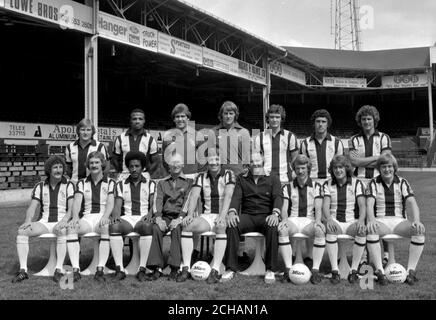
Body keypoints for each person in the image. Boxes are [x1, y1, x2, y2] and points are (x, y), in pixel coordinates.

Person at [12, 156, 75, 283]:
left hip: (61, 221)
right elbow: (32, 207)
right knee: (22, 231)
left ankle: (58, 270)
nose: (58, 170)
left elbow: (72, 208)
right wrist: (28, 220)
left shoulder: (69, 185)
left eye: (61, 167)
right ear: (49, 170)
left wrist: (64, 221)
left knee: (62, 231)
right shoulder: (40, 186)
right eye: (55, 167)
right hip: (44, 223)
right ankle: (23, 271)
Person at [177, 149, 236, 284]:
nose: (214, 162)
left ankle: (215, 270)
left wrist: (222, 216)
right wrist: (190, 214)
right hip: (207, 216)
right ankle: (186, 267)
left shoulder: (229, 174)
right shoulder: (200, 176)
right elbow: (194, 196)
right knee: (187, 225)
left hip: (223, 215)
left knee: (221, 226)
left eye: (217, 159)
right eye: (211, 159)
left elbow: (228, 195)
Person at [223, 152, 282, 284]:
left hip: (265, 216)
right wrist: (232, 212)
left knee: (273, 225)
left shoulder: (273, 177)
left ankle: (270, 270)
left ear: (263, 161)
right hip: (248, 216)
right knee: (232, 225)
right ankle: (230, 268)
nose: (255, 164)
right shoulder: (241, 178)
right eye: (252, 161)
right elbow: (236, 197)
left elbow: (278, 197)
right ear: (248, 164)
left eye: (257, 161)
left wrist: (275, 214)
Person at [366, 154, 425, 285]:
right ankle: (380, 272)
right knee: (371, 231)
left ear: (394, 167)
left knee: (419, 231)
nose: (387, 169)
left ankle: (411, 272)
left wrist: (417, 220)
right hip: (381, 221)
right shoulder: (373, 183)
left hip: (399, 221)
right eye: (383, 167)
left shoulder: (402, 182)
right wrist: (371, 220)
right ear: (379, 169)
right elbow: (369, 204)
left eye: (389, 166)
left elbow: (412, 203)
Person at [349, 105, 392, 267]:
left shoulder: (384, 138)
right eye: (363, 119)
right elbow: (354, 162)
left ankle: (386, 254)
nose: (366, 122)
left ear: (375, 120)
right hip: (359, 183)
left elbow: (387, 161)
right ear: (359, 121)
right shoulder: (354, 139)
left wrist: (365, 160)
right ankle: (364, 255)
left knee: (381, 217)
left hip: (378, 182)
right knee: (363, 217)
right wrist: (377, 157)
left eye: (369, 119)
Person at [66, 151, 116, 282]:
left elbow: (111, 202)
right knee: (72, 228)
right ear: (88, 165)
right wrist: (75, 217)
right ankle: (76, 270)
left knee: (106, 227)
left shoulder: (110, 182)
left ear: (102, 164)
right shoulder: (82, 183)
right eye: (91, 163)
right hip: (87, 219)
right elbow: (77, 201)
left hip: (102, 217)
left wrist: (106, 216)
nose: (94, 165)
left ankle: (100, 269)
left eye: (97, 162)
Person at [109, 151, 156, 281]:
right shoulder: (120, 184)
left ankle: (142, 269)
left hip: (143, 217)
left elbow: (153, 204)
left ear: (143, 167)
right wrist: (116, 216)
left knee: (147, 226)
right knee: (114, 226)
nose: (134, 169)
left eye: (137, 166)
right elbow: (117, 206)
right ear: (128, 168)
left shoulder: (150, 184)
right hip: (128, 218)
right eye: (131, 166)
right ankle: (120, 269)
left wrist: (150, 214)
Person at [278, 155, 325, 284]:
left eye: (303, 168)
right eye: (297, 168)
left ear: (308, 168)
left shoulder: (316, 186)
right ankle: (287, 269)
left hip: (309, 221)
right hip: (293, 220)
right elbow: (284, 207)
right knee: (282, 230)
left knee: (320, 231)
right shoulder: (287, 187)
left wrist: (318, 221)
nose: (300, 171)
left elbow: (318, 207)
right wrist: (284, 220)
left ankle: (315, 271)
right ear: (294, 169)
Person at [146, 153, 194, 281]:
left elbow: (188, 201)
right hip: (165, 216)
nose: (176, 165)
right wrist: (158, 217)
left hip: (180, 216)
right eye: (173, 163)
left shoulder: (189, 182)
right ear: (169, 166)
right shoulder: (162, 183)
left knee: (177, 230)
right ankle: (157, 268)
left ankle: (174, 268)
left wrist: (179, 219)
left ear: (183, 164)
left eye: (178, 162)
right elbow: (158, 201)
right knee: (156, 228)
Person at [322, 155, 367, 284]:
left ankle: (353, 270)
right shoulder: (328, 183)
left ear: (346, 168)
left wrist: (361, 220)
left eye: (341, 167)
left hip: (351, 221)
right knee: (330, 230)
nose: (338, 170)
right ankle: (335, 271)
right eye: (335, 167)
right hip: (336, 220)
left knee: (362, 231)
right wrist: (329, 219)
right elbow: (325, 205)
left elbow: (362, 205)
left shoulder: (357, 183)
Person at [254, 104, 299, 185]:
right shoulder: (259, 137)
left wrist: (291, 172)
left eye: (277, 117)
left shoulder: (290, 136)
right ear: (268, 119)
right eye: (272, 117)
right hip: (265, 181)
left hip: (285, 180)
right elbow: (256, 160)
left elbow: (295, 158)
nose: (274, 120)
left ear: (281, 119)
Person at [112, 109, 159, 181]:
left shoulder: (150, 139)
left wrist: (146, 173)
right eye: (134, 119)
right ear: (130, 120)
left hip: (143, 176)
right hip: (124, 176)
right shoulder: (120, 138)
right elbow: (114, 159)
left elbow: (155, 162)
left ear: (144, 121)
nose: (137, 121)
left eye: (140, 119)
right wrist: (121, 171)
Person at [300, 109, 344, 185]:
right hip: (312, 181)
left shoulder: (336, 142)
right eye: (318, 121)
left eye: (323, 122)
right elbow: (302, 165)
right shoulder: (305, 143)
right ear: (314, 123)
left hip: (331, 181)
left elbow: (341, 165)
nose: (320, 124)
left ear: (328, 124)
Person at [162, 103, 204, 180]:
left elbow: (203, 159)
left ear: (188, 118)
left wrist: (198, 174)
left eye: (183, 116)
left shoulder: (198, 135)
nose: (180, 119)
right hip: (174, 175)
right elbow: (164, 159)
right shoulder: (167, 136)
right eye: (177, 116)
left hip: (192, 176)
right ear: (174, 119)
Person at [212, 101, 251, 176]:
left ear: (235, 115)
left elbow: (247, 156)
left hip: (239, 174)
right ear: (221, 115)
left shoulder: (244, 132)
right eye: (226, 113)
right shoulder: (214, 132)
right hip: (220, 175)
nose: (228, 116)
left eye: (231, 113)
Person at [65, 118, 109, 185]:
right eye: (82, 130)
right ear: (78, 131)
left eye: (88, 130)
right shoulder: (70, 147)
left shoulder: (100, 146)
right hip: (75, 184)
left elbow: (106, 167)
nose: (85, 133)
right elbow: (68, 169)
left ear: (92, 132)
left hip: (94, 184)